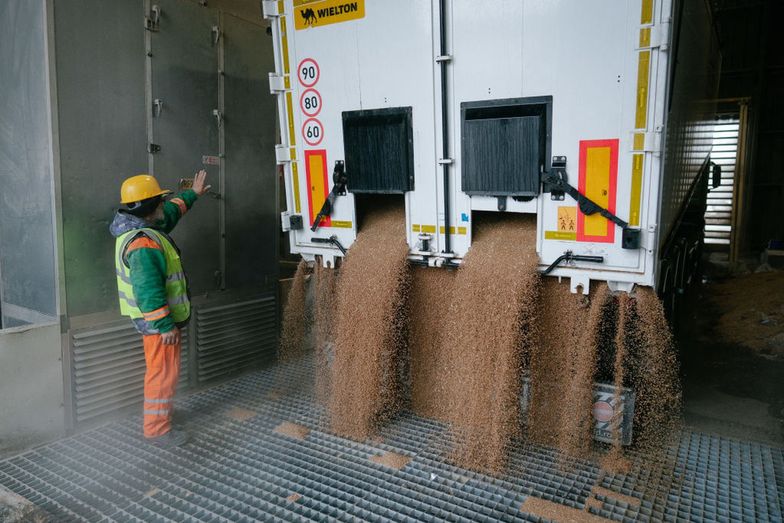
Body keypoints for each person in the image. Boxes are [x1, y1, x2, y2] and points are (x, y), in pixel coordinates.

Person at [109, 170, 211, 446]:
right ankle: (156, 429)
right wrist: (164, 325)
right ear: (148, 207)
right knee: (162, 372)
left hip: (156, 323)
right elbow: (148, 292)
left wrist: (193, 194)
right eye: (159, 201)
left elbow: (171, 213)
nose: (163, 205)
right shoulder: (143, 243)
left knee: (164, 371)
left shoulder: (140, 226)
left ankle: (162, 413)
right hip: (158, 325)